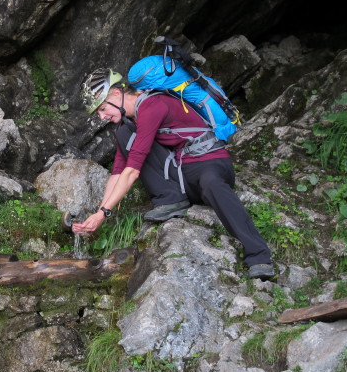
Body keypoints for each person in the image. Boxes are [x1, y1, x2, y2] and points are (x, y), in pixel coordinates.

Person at [72, 68, 275, 280]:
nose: (103, 116)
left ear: (116, 94)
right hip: (182, 171)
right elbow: (118, 171)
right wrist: (98, 215)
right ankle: (171, 200)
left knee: (211, 183)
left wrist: (104, 212)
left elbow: (132, 170)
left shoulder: (152, 105)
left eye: (103, 108)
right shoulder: (127, 125)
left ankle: (259, 255)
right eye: (99, 113)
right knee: (125, 134)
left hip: (210, 162)